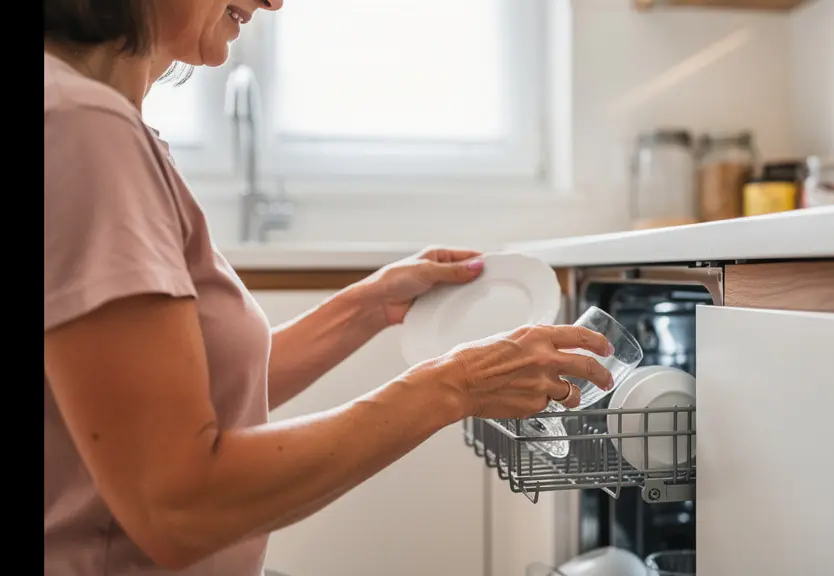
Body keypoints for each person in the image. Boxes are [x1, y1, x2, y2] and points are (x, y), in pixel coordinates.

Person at [43, 1, 615, 574]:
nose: (274, 1)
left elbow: (180, 398)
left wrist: (365, 308)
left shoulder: (89, 118)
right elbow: (178, 505)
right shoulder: (85, 128)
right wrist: (453, 385)